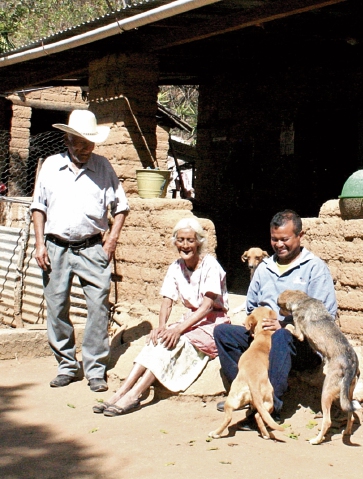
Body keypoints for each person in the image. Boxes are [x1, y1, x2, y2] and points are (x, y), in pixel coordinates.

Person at [31, 109, 129, 393]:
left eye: (90, 143)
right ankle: (66, 365)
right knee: (56, 307)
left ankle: (95, 369)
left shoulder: (103, 167)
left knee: (98, 307)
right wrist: (39, 244)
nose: (86, 148)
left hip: (91, 247)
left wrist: (111, 240)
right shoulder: (50, 166)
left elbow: (120, 207)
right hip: (55, 247)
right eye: (81, 142)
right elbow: (38, 207)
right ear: (67, 140)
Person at [214, 209, 337, 428]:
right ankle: (248, 393)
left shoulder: (314, 269)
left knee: (282, 336)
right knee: (223, 334)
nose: (279, 244)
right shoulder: (264, 269)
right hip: (264, 339)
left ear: (300, 236)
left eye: (285, 239)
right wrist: (256, 326)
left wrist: (284, 324)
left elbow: (324, 315)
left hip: (300, 344)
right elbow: (251, 305)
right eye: (274, 239)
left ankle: (271, 407)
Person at [97, 217, 230, 416]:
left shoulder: (210, 265)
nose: (185, 245)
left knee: (173, 342)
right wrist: (162, 326)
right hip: (191, 319)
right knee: (156, 340)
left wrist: (178, 329)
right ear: (175, 242)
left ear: (199, 242)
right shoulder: (176, 267)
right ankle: (122, 391)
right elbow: (167, 300)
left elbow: (207, 306)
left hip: (213, 322)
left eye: (190, 241)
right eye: (181, 240)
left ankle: (135, 394)